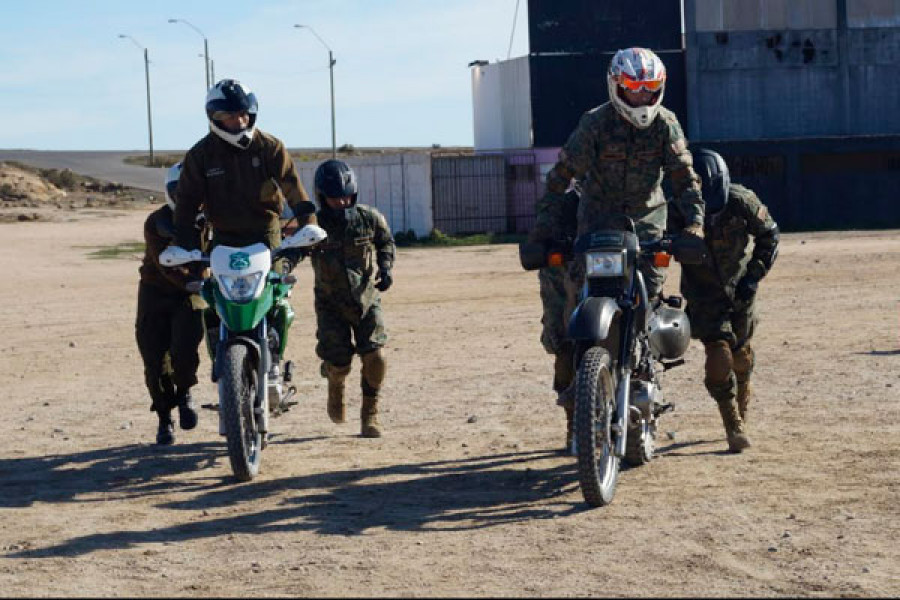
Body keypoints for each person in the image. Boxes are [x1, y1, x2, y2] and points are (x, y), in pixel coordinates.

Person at [530, 47, 705, 447]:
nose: (642, 98)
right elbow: (560, 177)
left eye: (649, 89)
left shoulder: (666, 125)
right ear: (616, 87)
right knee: (575, 305)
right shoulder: (594, 124)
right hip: (597, 222)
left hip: (647, 223)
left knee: (650, 297)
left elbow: (684, 178)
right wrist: (542, 230)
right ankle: (577, 412)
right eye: (633, 89)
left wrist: (694, 224)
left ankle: (645, 376)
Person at [671, 148, 779, 453]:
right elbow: (657, 244)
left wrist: (753, 276)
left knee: (741, 358)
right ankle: (732, 424)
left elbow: (770, 235)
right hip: (704, 297)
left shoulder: (741, 201)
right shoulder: (678, 208)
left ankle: (742, 405)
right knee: (718, 359)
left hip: (741, 292)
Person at [173, 78, 317, 254]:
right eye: (231, 117)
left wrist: (309, 225)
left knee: (275, 281)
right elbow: (186, 203)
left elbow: (293, 189)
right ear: (216, 118)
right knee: (217, 282)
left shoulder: (271, 148)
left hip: (266, 235)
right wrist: (182, 245)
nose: (240, 121)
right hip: (224, 240)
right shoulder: (200, 155)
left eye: (243, 114)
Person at [310, 159, 396, 438]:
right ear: (323, 197)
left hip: (366, 300)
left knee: (377, 357)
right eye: (335, 198)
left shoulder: (368, 218)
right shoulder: (313, 226)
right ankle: (336, 384)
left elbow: (385, 242)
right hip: (330, 305)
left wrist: (385, 267)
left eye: (347, 196)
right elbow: (292, 249)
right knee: (339, 363)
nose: (342, 202)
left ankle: (370, 413)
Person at [135, 163, 204, 445]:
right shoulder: (156, 223)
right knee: (154, 361)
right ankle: (164, 418)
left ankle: (185, 391)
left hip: (190, 293)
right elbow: (166, 266)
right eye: (180, 192)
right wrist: (195, 280)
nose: (185, 198)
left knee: (185, 352)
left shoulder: (210, 222)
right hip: (156, 292)